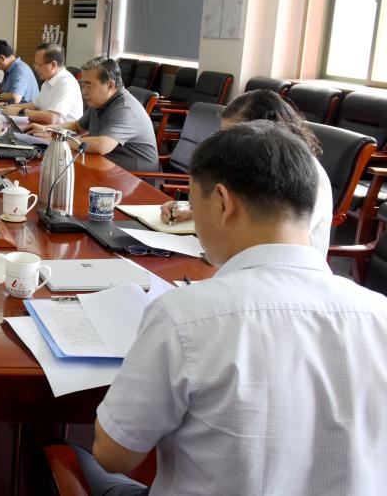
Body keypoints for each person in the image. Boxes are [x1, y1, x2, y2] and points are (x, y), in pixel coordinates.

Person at [72, 121, 387, 495]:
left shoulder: (185, 316)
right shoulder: (379, 314)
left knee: (67, 454)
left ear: (222, 201)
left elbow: (114, 455)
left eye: (194, 203)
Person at [160, 89, 333, 257]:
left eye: (236, 136)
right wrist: (194, 209)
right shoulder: (255, 162)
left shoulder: (306, 173)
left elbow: (272, 231)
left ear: (265, 132)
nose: (227, 145)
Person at [36, 56, 159, 172]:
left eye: (88, 86)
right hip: (105, 167)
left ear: (110, 85)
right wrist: (46, 129)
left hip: (134, 179)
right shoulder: (100, 101)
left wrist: (58, 141)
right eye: (82, 85)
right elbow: (77, 127)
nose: (84, 92)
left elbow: (103, 145)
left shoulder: (126, 109)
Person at [3, 43, 82, 125]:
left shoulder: (66, 83)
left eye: (38, 64)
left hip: (62, 132)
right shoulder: (48, 81)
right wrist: (10, 107)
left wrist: (20, 112)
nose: (35, 68)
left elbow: (52, 117)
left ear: (53, 65)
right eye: (35, 64)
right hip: (46, 128)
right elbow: (36, 106)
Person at [0, 39, 37, 104]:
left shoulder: (20, 69)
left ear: (2, 58)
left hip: (23, 109)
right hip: (10, 107)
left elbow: (15, 98)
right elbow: (3, 89)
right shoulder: (8, 69)